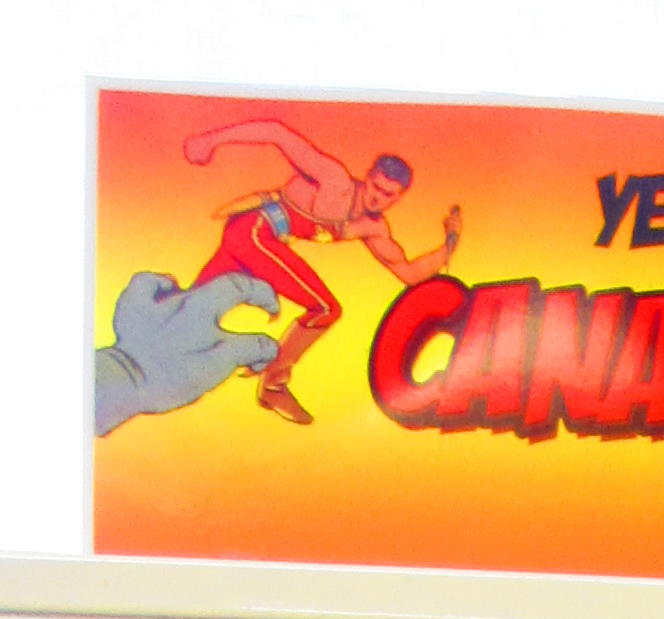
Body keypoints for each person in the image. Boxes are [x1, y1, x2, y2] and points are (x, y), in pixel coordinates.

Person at [181, 113, 463, 425]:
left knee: (185, 313)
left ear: (399, 197)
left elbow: (408, 273)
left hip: (254, 241)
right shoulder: (335, 180)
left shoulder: (372, 228)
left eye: (387, 194)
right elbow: (276, 132)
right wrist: (210, 141)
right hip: (253, 232)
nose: (377, 197)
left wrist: (450, 242)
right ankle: (273, 386)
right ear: (368, 177)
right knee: (326, 308)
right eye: (375, 186)